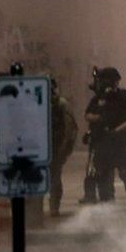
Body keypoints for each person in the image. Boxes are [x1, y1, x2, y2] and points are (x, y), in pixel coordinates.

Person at [83, 67, 126, 210]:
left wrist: (115, 131)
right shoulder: (98, 98)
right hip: (102, 143)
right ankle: (107, 206)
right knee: (102, 175)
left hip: (119, 142)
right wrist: (100, 118)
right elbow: (87, 114)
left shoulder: (123, 96)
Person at [48, 78, 78, 216]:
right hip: (40, 147)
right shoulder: (36, 102)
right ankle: (36, 208)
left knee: (54, 177)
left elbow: (70, 128)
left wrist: (64, 149)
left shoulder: (61, 104)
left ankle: (54, 207)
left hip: (55, 147)